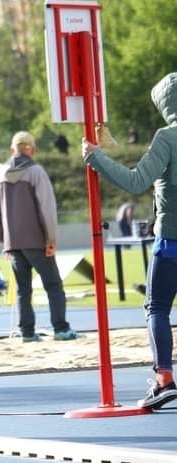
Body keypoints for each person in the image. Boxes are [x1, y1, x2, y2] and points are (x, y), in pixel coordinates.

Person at [81, 72, 177, 410]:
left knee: (157, 307)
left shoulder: (167, 137)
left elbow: (137, 182)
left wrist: (96, 157)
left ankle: (164, 379)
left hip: (172, 242)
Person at [0, 131, 79, 343]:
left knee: (23, 289)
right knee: (53, 284)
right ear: (32, 149)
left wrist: (3, 239)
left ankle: (27, 332)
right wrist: (51, 239)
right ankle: (61, 328)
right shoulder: (36, 171)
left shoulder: (0, 173)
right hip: (36, 240)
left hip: (12, 243)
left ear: (13, 149)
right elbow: (47, 209)